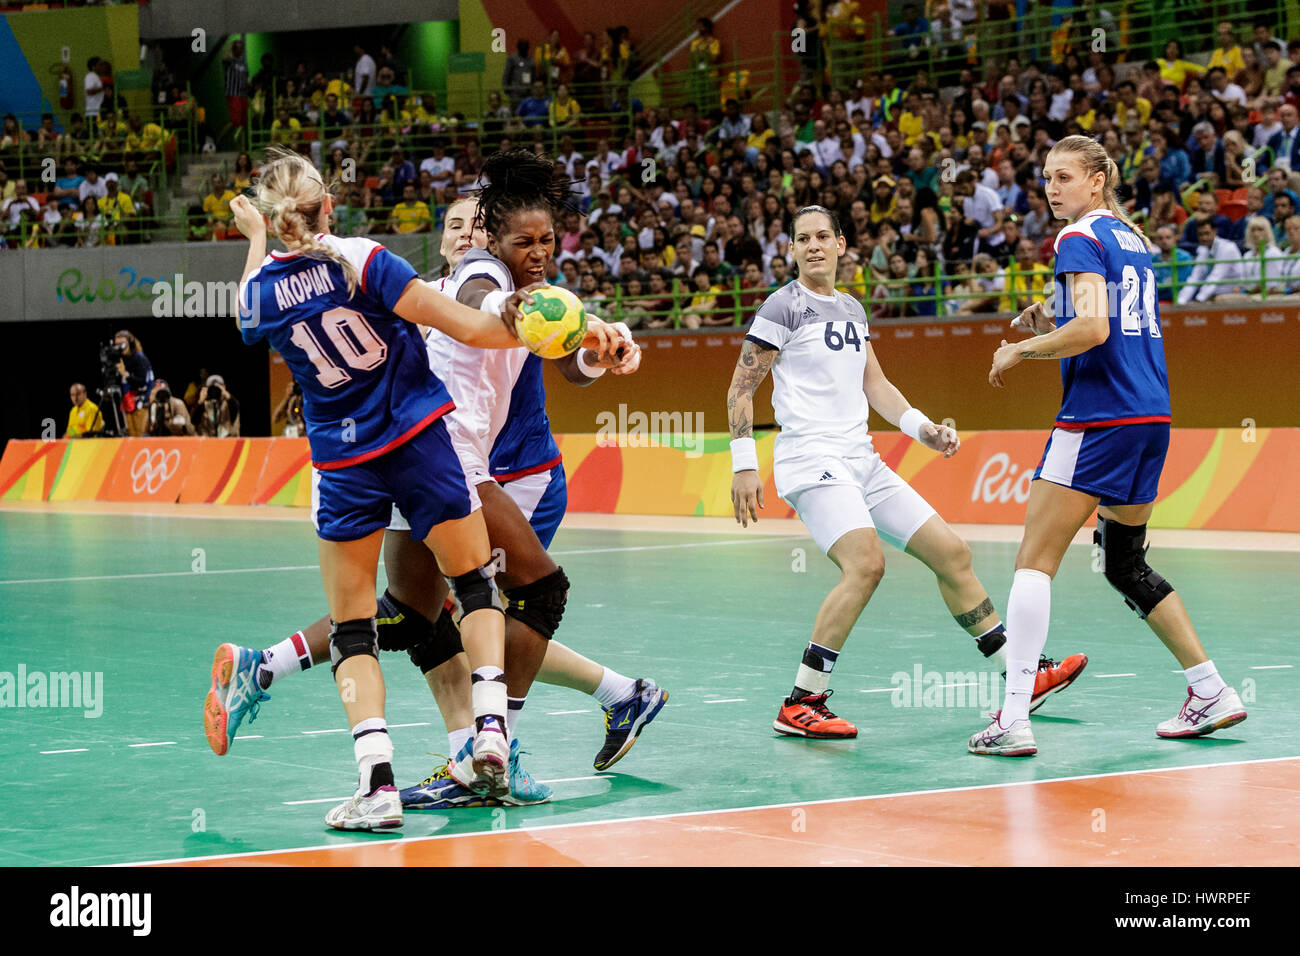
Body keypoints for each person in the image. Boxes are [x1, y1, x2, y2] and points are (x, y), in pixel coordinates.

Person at [206, 165, 654, 809]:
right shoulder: (415, 281)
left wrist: (595, 345)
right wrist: (551, 323)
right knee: (467, 604)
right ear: (459, 240)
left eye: (542, 240)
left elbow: (556, 350)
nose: (469, 233)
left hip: (425, 465)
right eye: (459, 225)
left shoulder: (461, 289)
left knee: (419, 613)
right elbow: (478, 310)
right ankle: (494, 746)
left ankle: (400, 757)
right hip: (443, 459)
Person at [727, 204, 1085, 740]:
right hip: (811, 459)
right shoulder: (783, 306)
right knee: (866, 565)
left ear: (842, 245)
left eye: (824, 236)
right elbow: (740, 388)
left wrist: (924, 430)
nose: (814, 245)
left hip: (860, 460)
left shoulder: (850, 309)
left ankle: (1020, 673)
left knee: (952, 553)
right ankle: (802, 700)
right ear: (793, 251)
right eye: (803, 239)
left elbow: (878, 387)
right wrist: (744, 465)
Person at [977, 135, 1247, 757]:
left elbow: (1095, 328)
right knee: (1124, 564)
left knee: (1033, 562)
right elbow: (1108, 316)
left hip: (1098, 419)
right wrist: (1051, 316)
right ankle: (1210, 690)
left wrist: (1020, 348)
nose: (1051, 187)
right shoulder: (1133, 241)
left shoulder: (1075, 239)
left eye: (1065, 176)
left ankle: (1013, 718)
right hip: (1150, 415)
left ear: (1097, 180)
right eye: (1046, 177)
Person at [111, 329, 153, 436]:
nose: (120, 348)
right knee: (131, 438)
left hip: (140, 405)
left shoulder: (139, 358)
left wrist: (125, 374)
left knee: (140, 438)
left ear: (130, 343)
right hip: (128, 404)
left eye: (122, 344)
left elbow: (142, 382)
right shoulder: (122, 360)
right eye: (117, 345)